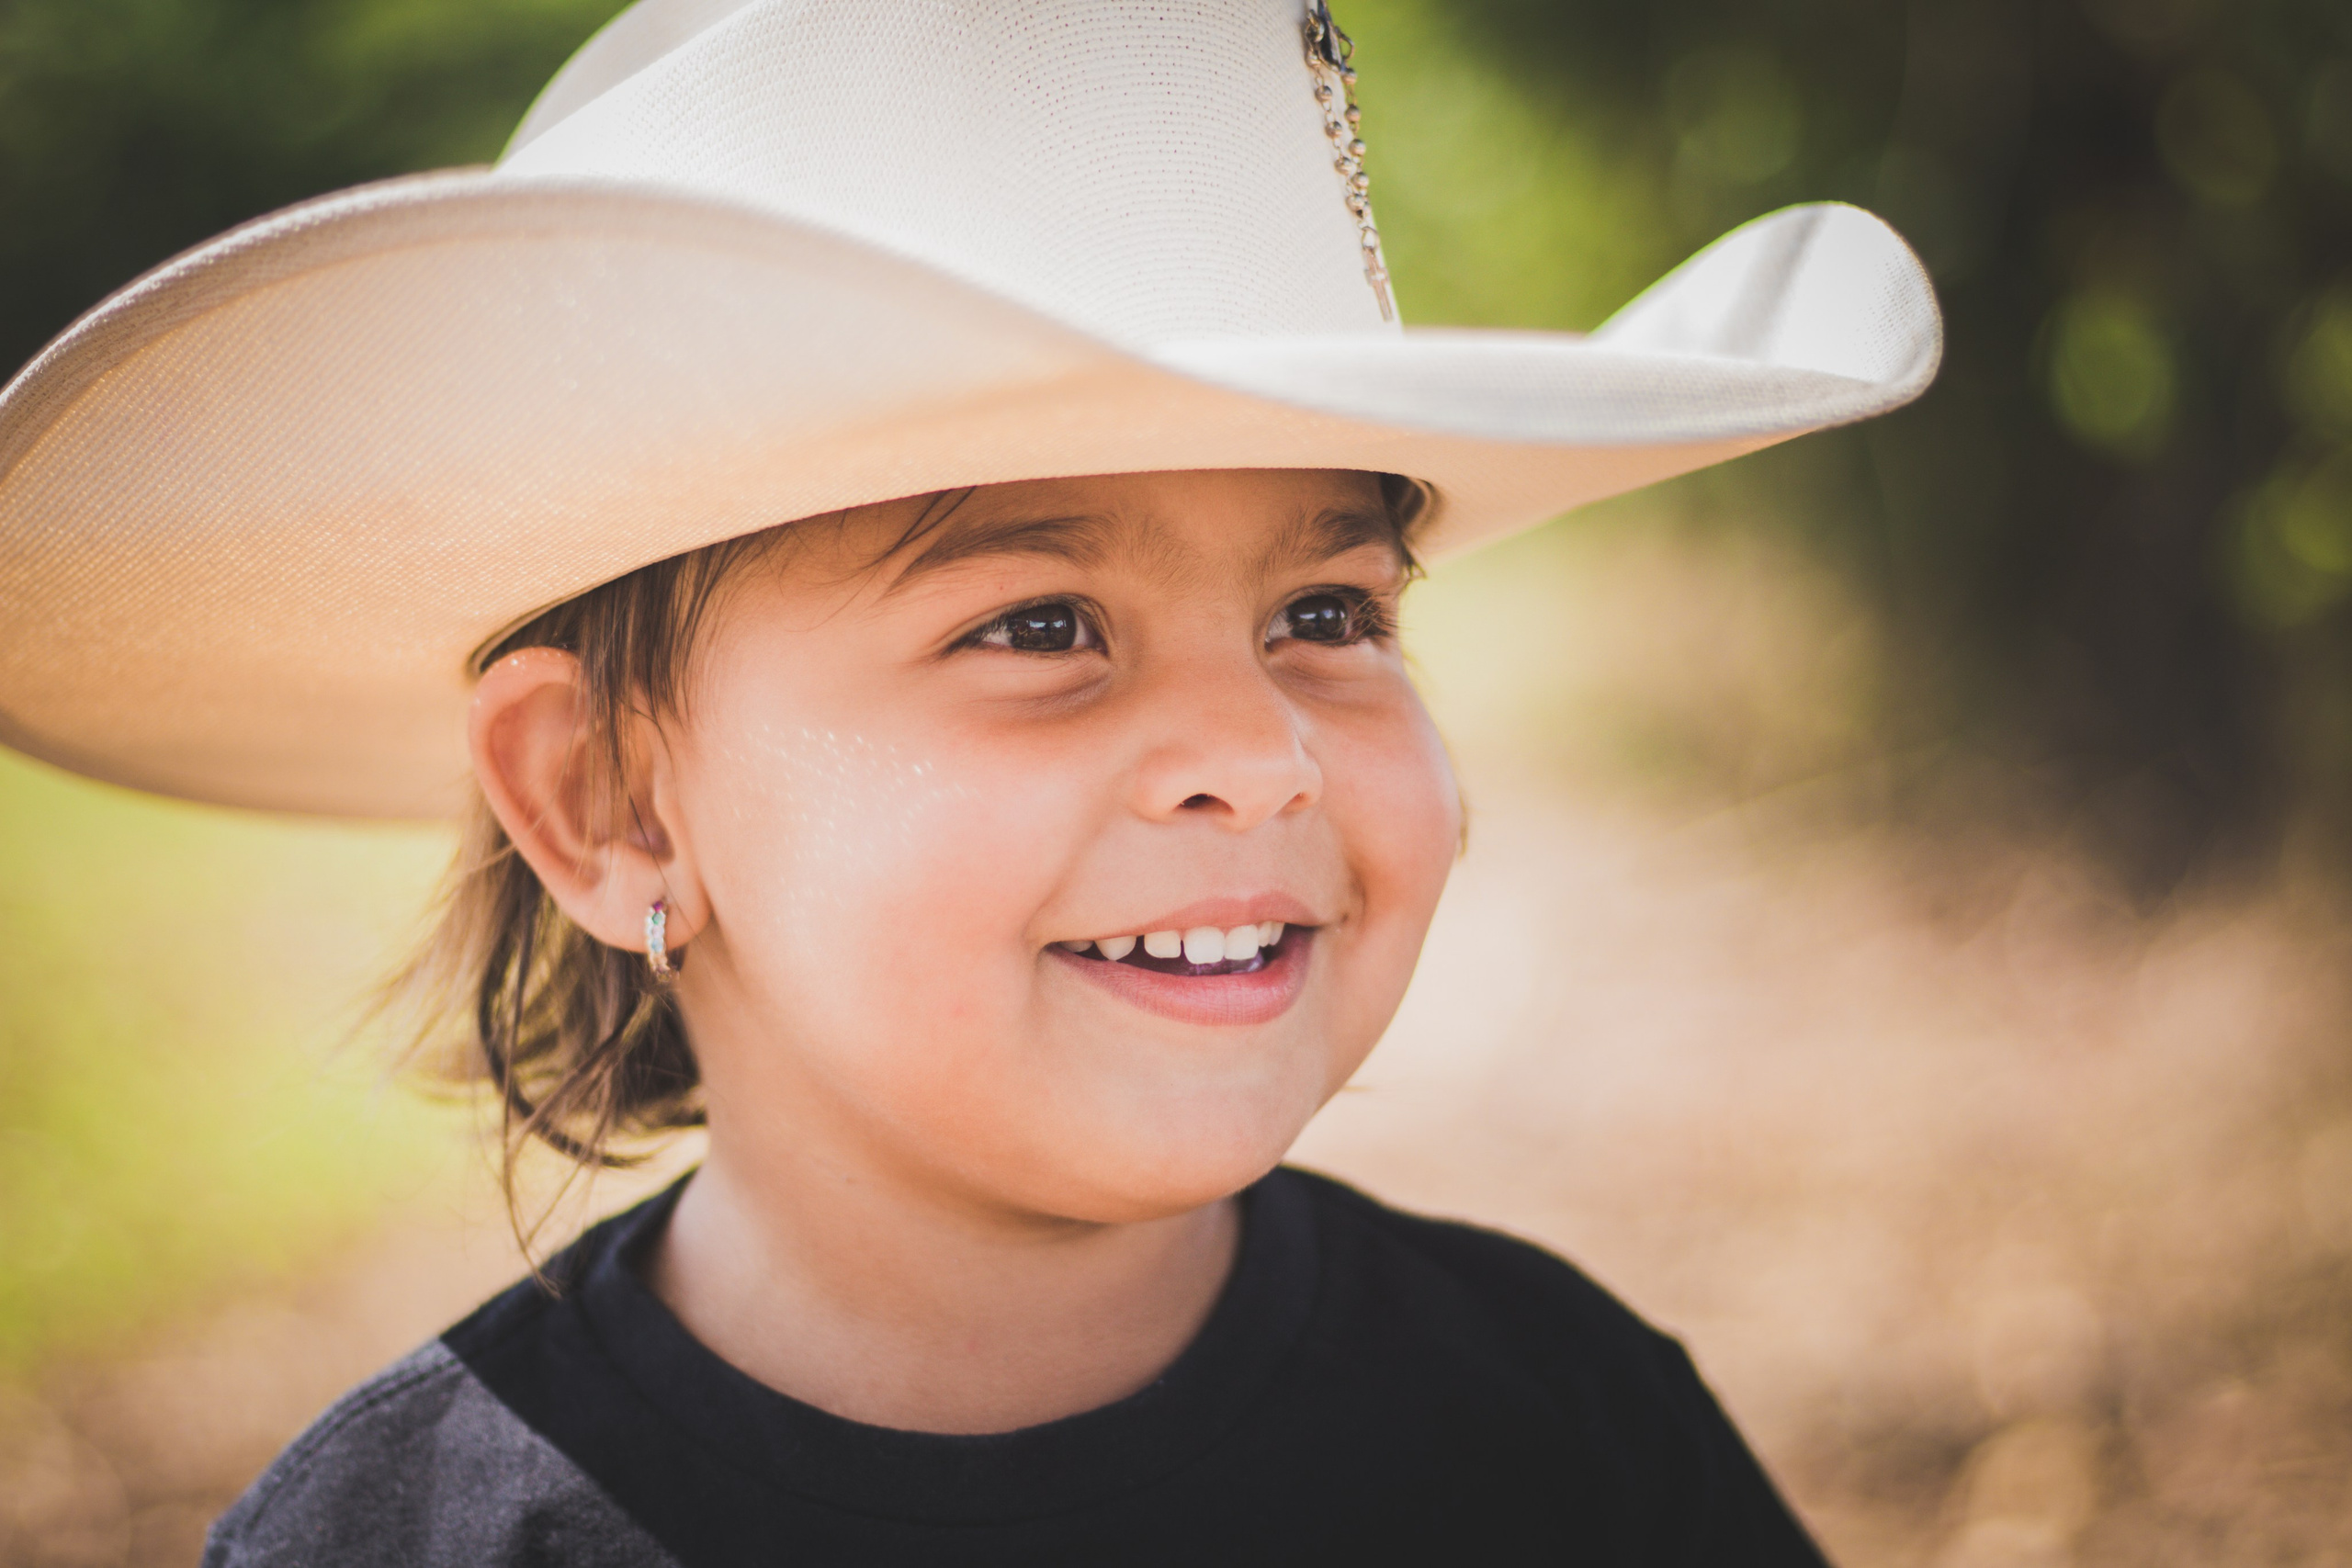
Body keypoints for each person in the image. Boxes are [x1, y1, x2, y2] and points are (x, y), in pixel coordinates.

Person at [0, 1, 1939, 1562]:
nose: (1251, 753)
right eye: (1036, 625)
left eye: (1328, 609)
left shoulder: (1556, 1431)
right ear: (607, 799)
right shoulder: (407, 1541)